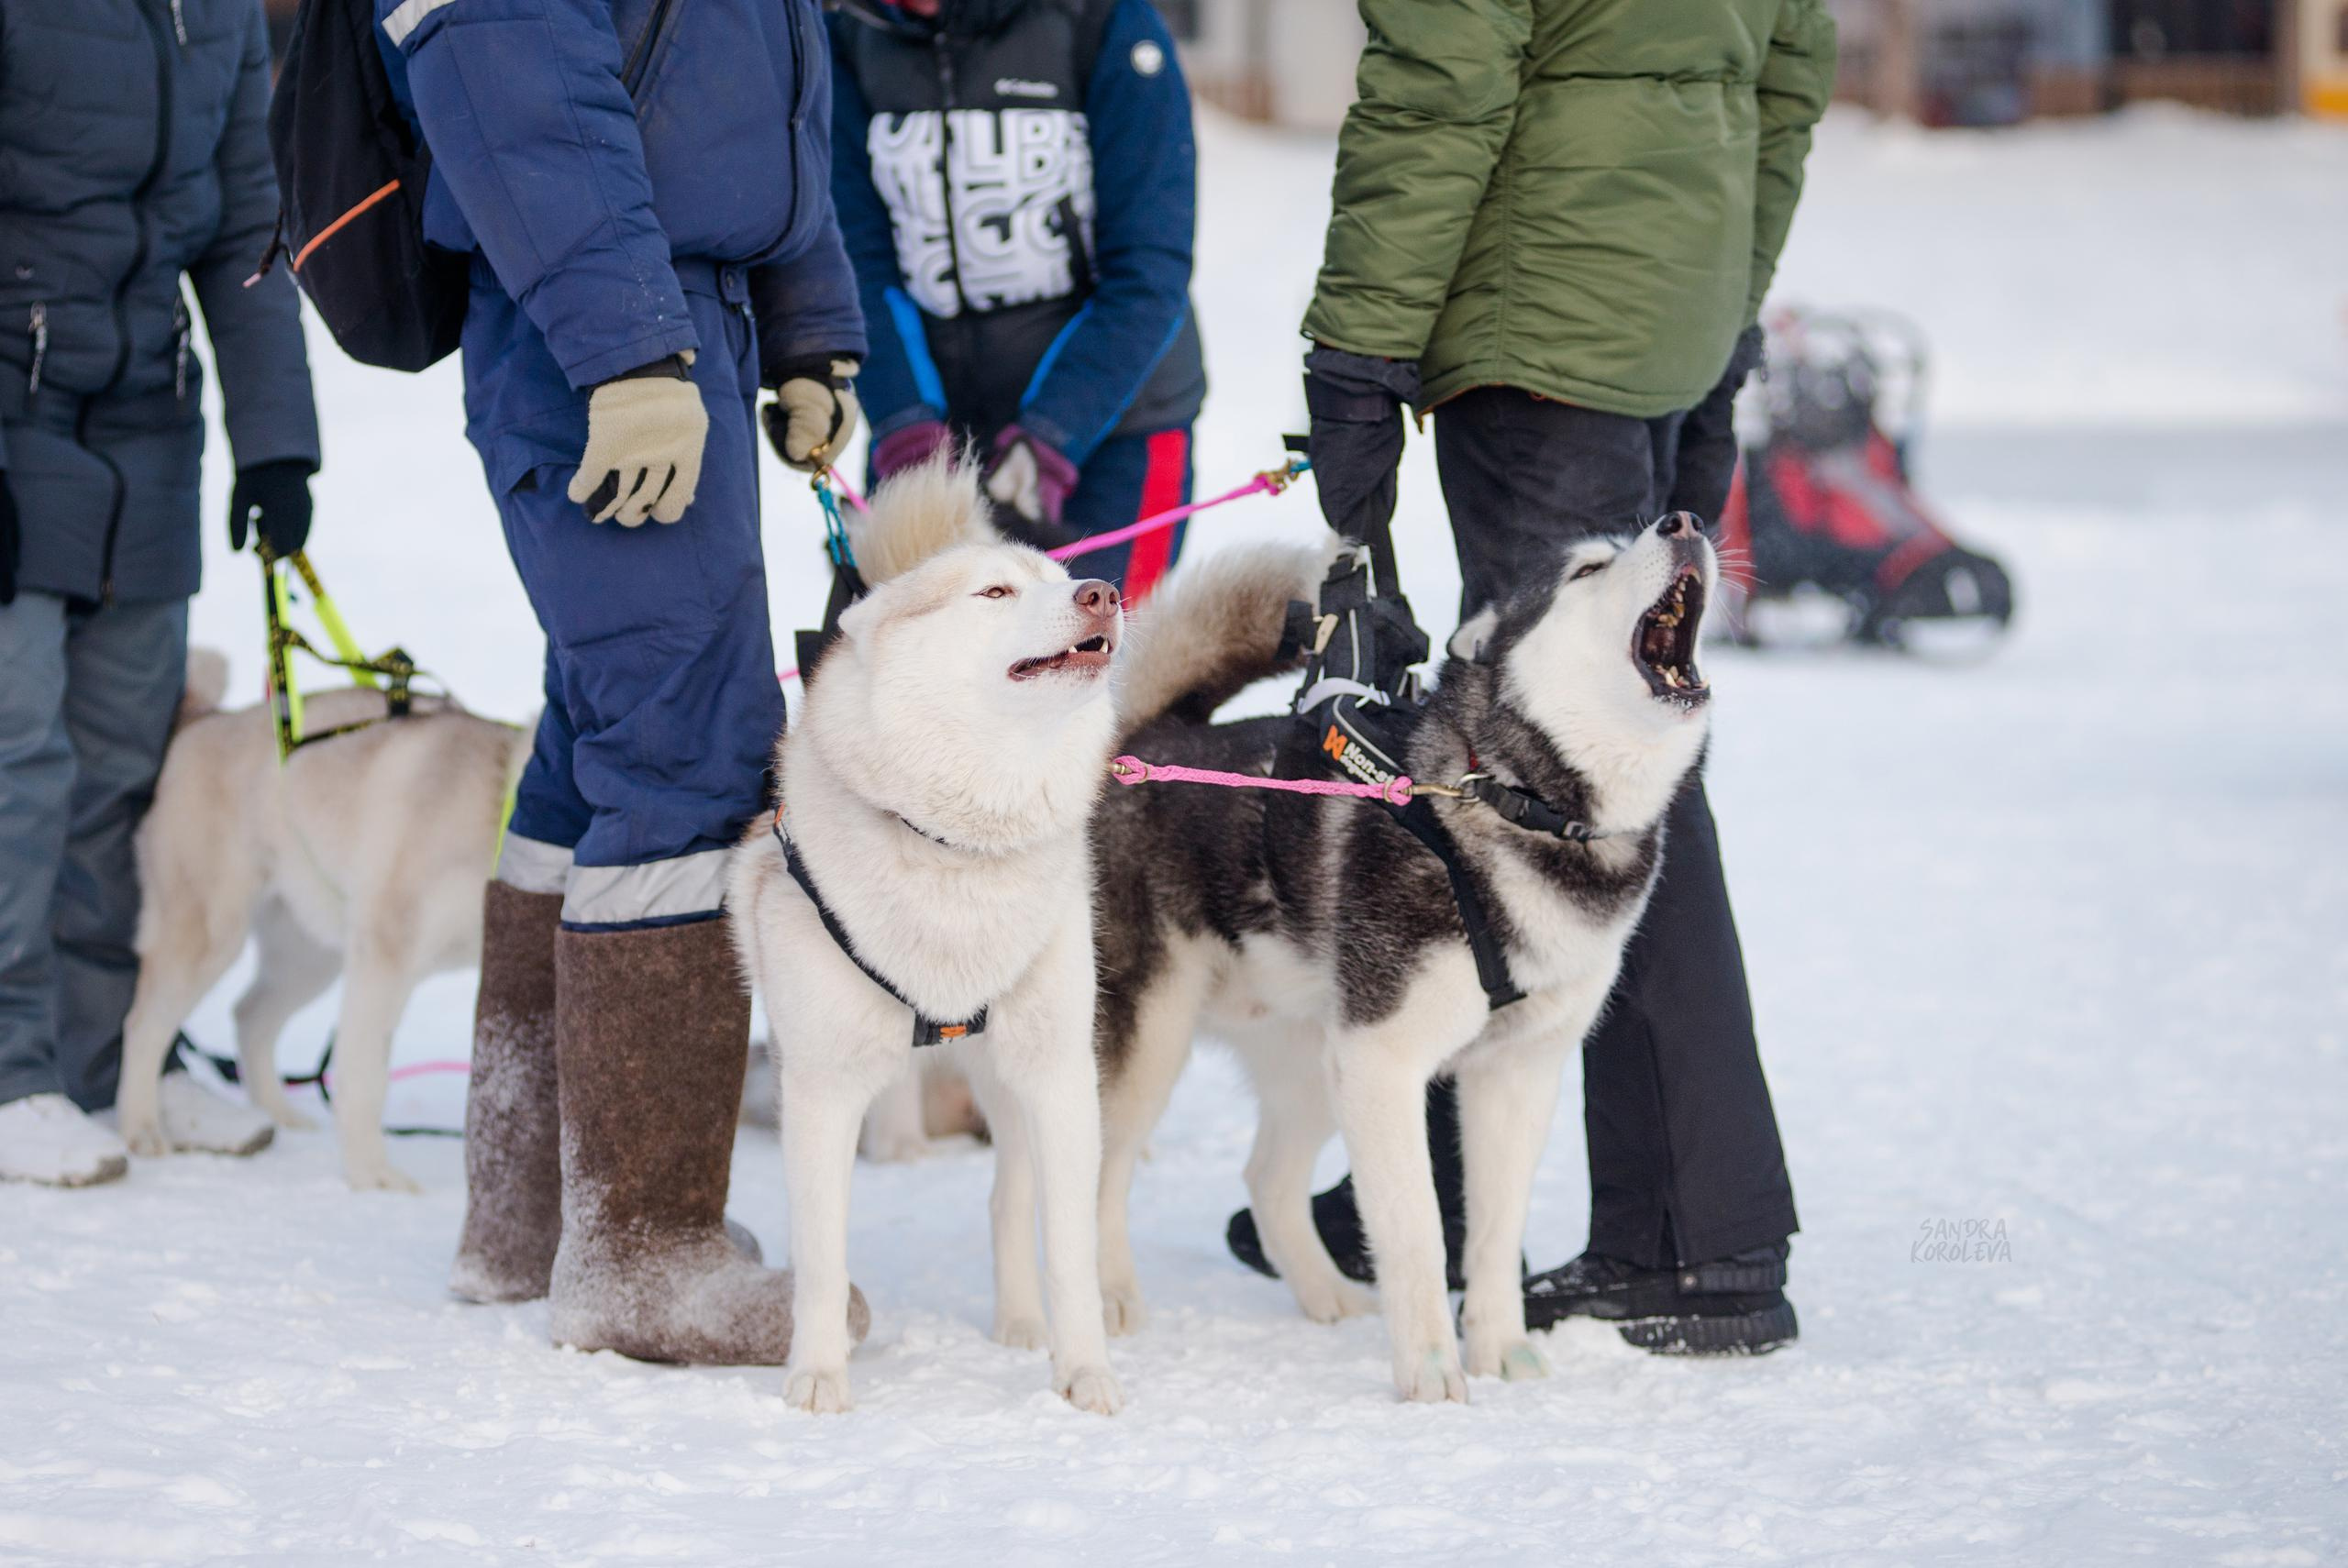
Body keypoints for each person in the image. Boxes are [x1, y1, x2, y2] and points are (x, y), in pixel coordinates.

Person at [1230, 0, 1837, 1354]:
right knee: (1573, 768)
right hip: (1671, 308)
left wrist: (1357, 356)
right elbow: (1788, 80)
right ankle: (1472, 1176)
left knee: (1556, 769)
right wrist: (1722, 321)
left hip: (1544, 329)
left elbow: (1441, 77)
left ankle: (1690, 1232)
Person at [380, 0, 869, 1363]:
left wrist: (806, 324)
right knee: (693, 756)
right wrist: (631, 352)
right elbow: (518, 78)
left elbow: (759, 99)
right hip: (597, 338)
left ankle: (528, 1209)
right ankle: (642, 1246)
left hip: (669, 322)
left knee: (600, 736)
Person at [0, 0, 319, 1187]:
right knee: (17, 758)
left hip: (148, 422)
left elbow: (245, 219)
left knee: (127, 759)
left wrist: (277, 440)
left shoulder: (219, 11)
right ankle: (8, 1066)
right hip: (13, 408)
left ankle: (109, 1055)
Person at [828, 0, 1204, 599]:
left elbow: (1148, 268)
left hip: (1112, 423)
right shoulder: (848, 35)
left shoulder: (1103, 20)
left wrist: (1052, 440)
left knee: (1098, 673)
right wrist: (904, 425)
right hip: (932, 431)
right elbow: (855, 259)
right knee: (912, 674)